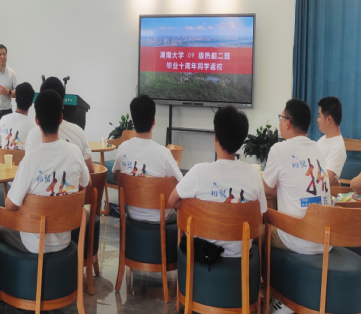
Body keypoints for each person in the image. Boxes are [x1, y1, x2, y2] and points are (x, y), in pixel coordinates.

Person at [0, 90, 90, 253]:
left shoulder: (30, 160)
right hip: (65, 240)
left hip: (33, 243)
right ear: (61, 119)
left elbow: (10, 205)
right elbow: (86, 182)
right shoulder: (75, 152)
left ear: (36, 120)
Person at [168, 106, 266, 257]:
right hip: (241, 259)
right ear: (241, 141)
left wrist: (191, 208)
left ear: (215, 138)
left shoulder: (198, 172)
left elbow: (171, 200)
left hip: (202, 255)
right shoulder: (254, 175)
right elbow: (260, 216)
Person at [262, 99, 332, 255]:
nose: (280, 122)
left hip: (297, 239)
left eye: (281, 118)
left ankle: (267, 272)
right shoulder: (317, 149)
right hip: (326, 239)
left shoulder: (279, 149)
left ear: (287, 123)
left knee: (254, 232)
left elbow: (265, 190)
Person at [112, 94, 182, 223]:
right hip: (160, 219)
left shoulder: (123, 148)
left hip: (133, 214)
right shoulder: (164, 154)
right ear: (153, 121)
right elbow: (180, 185)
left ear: (133, 123)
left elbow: (117, 176)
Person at [25, 77, 95, 173]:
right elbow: (91, 171)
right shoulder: (78, 132)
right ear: (62, 103)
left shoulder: (32, 135)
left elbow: (28, 171)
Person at [316, 96, 347, 186]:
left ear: (329, 119)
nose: (317, 120)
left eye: (319, 116)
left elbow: (322, 181)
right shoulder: (323, 139)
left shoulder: (337, 148)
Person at [0, 82, 35, 150]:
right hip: (23, 157)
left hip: (3, 156)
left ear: (15, 99)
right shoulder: (33, 127)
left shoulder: (3, 119)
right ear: (31, 103)